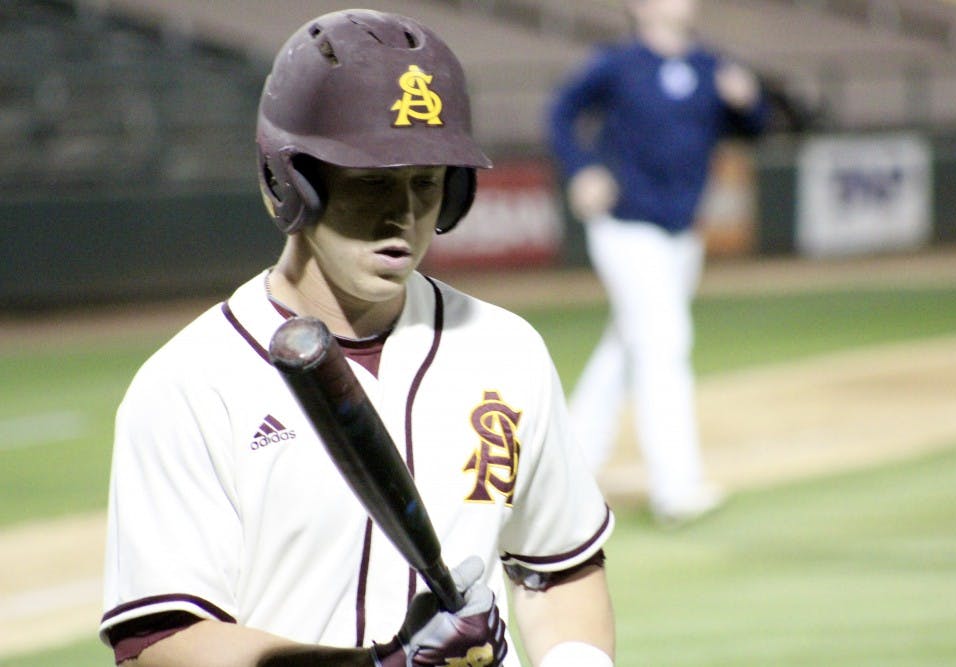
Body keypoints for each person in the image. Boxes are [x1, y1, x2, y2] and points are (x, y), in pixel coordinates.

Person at [100, 9, 615, 667]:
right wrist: (375, 664)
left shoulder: (506, 350)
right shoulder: (191, 384)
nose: (401, 212)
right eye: (372, 181)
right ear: (293, 181)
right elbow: (158, 644)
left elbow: (558, 566)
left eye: (425, 183)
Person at [547, 0, 768, 524]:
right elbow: (560, 114)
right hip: (625, 226)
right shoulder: (616, 64)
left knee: (628, 346)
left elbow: (753, 130)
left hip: (681, 233)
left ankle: (566, 467)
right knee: (664, 343)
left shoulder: (712, 66)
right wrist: (581, 170)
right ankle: (676, 488)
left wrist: (748, 103)